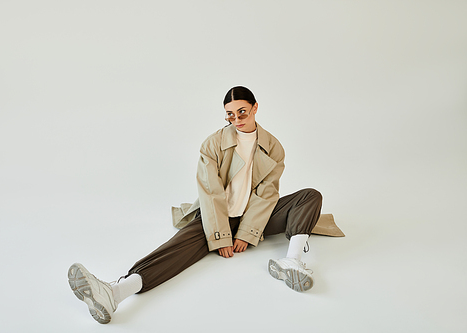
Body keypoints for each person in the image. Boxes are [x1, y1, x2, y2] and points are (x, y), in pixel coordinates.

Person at [68, 86, 323, 324]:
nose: (237, 119)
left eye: (242, 112)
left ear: (255, 107)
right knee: (176, 249)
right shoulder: (213, 144)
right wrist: (222, 235)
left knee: (310, 196)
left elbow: (267, 195)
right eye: (230, 115)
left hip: (257, 216)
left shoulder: (273, 147)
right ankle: (114, 292)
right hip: (217, 216)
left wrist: (247, 233)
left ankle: (292, 261)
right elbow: (210, 192)